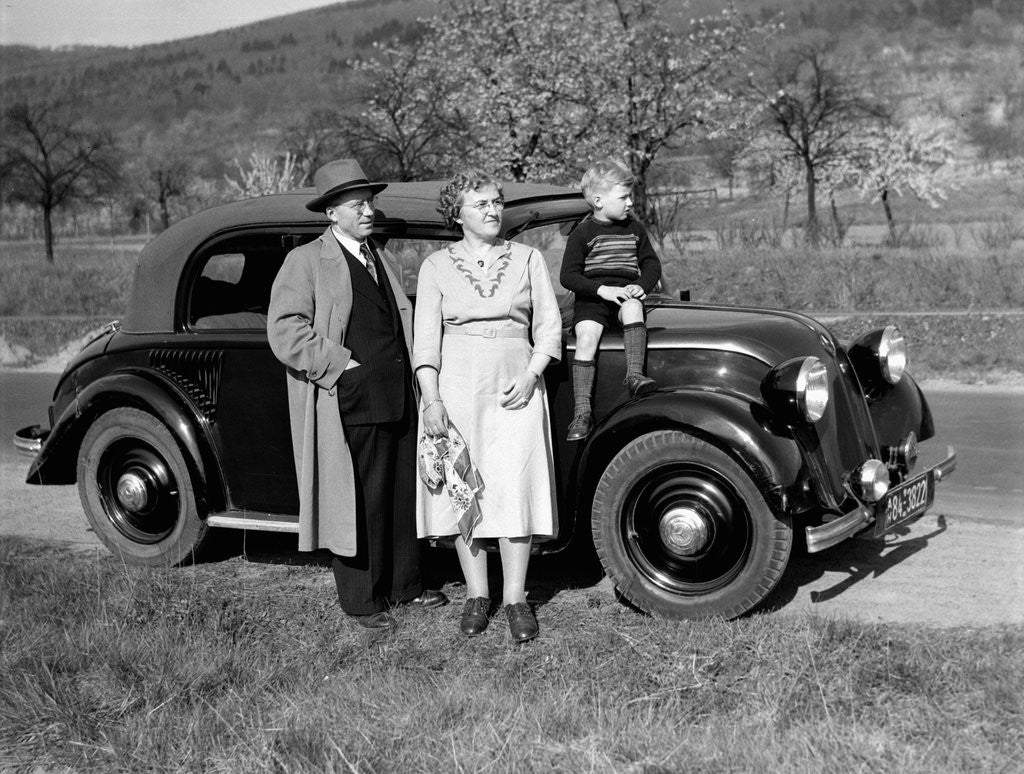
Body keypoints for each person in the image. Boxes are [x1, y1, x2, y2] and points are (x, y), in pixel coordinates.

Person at [267, 158, 447, 629]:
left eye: (370, 202)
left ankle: (406, 586)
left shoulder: (380, 255)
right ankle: (362, 601)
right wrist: (341, 365)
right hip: (349, 399)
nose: (368, 211)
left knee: (399, 493)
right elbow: (284, 330)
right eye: (357, 204)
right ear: (332, 213)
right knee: (361, 498)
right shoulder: (304, 261)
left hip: (397, 395)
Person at [413, 170, 562, 643]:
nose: (494, 210)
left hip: (515, 384)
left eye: (497, 201)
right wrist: (431, 399)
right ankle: (478, 595)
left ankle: (516, 599)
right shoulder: (435, 265)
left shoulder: (528, 258)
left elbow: (551, 327)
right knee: (464, 485)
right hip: (456, 387)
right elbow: (425, 344)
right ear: (457, 214)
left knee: (515, 482)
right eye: (481, 204)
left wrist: (532, 372)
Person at [559, 158, 662, 442]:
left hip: (625, 292)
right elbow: (568, 276)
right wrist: (601, 290)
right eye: (623, 197)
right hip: (593, 297)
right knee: (587, 336)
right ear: (598, 200)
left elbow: (651, 264)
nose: (630, 203)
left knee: (632, 307)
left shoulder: (635, 229)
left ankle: (634, 375)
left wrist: (641, 286)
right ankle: (582, 411)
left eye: (630, 196)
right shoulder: (582, 234)